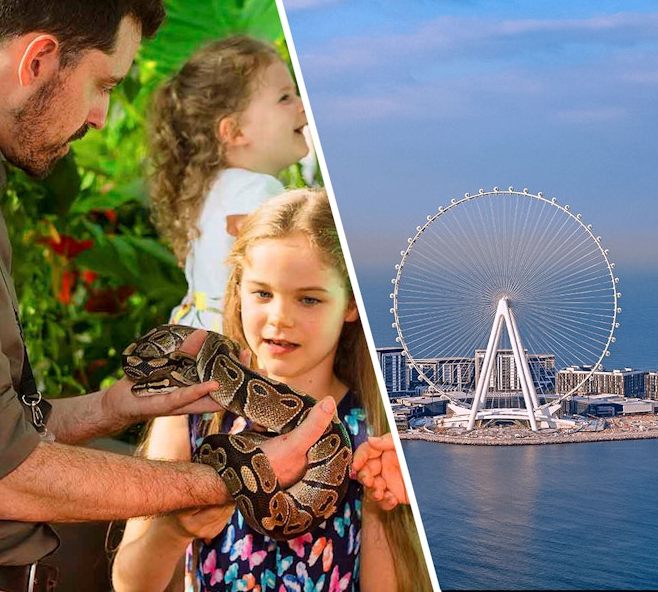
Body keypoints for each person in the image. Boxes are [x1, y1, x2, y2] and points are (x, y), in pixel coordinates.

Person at [0, 0, 335, 590]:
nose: (99, 115)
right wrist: (233, 476)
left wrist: (113, 406)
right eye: (102, 84)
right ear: (38, 59)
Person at [112, 188, 433, 592]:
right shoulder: (190, 415)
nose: (279, 318)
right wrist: (173, 531)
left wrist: (378, 501)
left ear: (351, 305)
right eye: (263, 293)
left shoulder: (374, 432)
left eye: (309, 299)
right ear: (239, 293)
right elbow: (130, 584)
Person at [147, 34, 309, 333]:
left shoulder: (210, 187)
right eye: (285, 97)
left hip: (194, 330)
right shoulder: (256, 191)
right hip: (235, 340)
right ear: (233, 131)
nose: (302, 104)